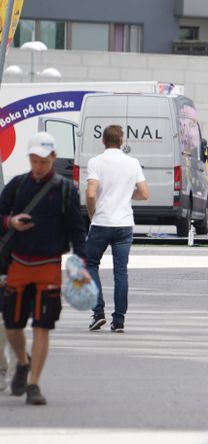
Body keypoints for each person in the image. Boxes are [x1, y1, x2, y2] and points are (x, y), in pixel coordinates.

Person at [0, 132, 90, 405]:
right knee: (13, 326)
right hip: (17, 265)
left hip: (49, 265)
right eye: (34, 161)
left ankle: (34, 385)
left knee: (42, 326)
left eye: (44, 161)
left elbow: (77, 229)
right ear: (29, 159)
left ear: (53, 158)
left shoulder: (65, 190)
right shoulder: (16, 186)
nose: (38, 166)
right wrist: (11, 222)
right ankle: (23, 362)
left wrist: (82, 263)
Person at [86, 125, 149, 333]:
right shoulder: (133, 163)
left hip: (101, 222)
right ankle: (119, 320)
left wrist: (91, 214)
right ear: (122, 141)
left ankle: (98, 312)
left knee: (91, 265)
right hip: (124, 224)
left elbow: (91, 194)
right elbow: (144, 193)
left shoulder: (95, 162)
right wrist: (126, 195)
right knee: (120, 272)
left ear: (103, 140)